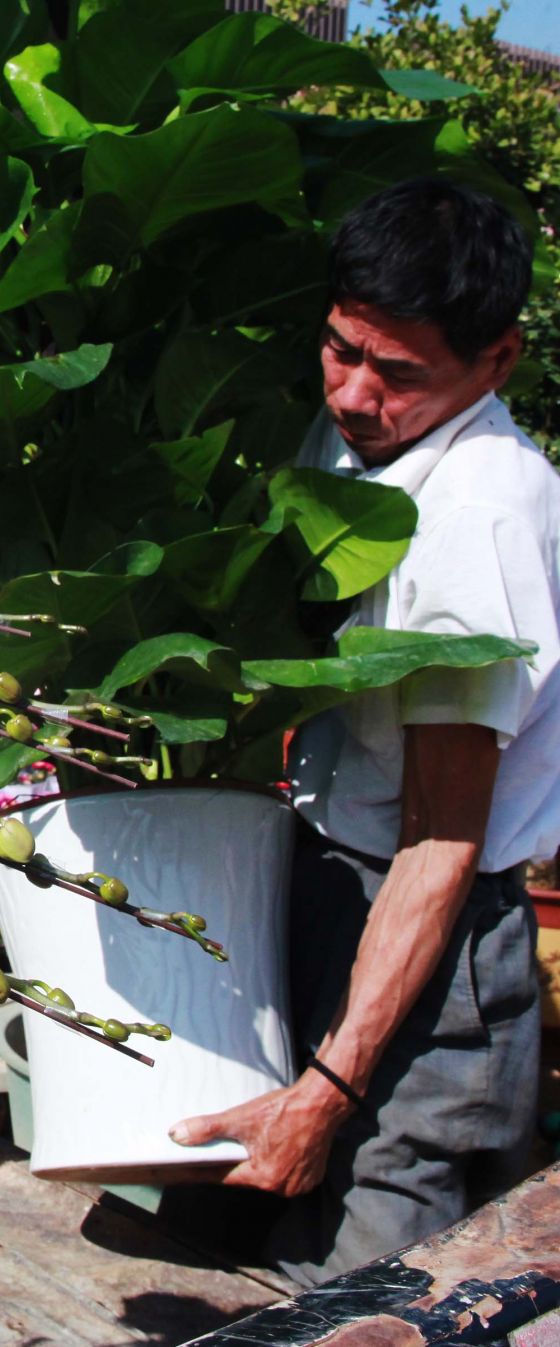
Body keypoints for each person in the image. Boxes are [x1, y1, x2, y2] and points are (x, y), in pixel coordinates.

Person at [170, 178, 555, 1284]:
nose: (352, 392)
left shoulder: (479, 516)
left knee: (368, 1288)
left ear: (498, 361)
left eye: (398, 373)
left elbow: (442, 843)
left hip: (433, 946)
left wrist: (328, 1092)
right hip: (327, 881)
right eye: (340, 349)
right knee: (203, 1248)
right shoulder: (363, 433)